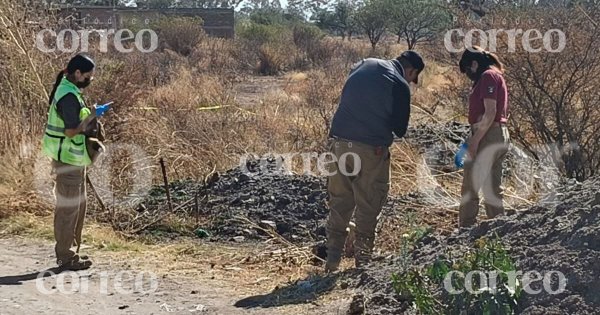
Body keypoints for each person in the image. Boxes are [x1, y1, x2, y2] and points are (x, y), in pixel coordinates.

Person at [324, 51, 425, 272]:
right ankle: (363, 263)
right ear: (411, 71)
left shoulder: (363, 63)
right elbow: (400, 129)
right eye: (412, 77)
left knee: (340, 201)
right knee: (369, 203)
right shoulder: (400, 83)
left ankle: (332, 260)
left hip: (339, 143)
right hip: (371, 149)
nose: (410, 81)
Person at [42, 54, 108, 270]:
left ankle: (71, 253)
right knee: (68, 209)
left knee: (78, 207)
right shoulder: (68, 96)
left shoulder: (69, 91)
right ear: (77, 73)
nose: (90, 80)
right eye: (88, 76)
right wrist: (92, 116)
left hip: (73, 159)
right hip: (67, 160)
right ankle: (65, 257)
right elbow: (71, 131)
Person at [457, 46, 510, 228]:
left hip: (487, 135)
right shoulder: (496, 75)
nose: (469, 74)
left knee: (471, 186)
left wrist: (474, 140)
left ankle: (465, 228)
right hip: (498, 134)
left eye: (468, 69)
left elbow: (490, 112)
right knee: (492, 188)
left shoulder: (487, 76)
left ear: (474, 63)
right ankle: (498, 228)